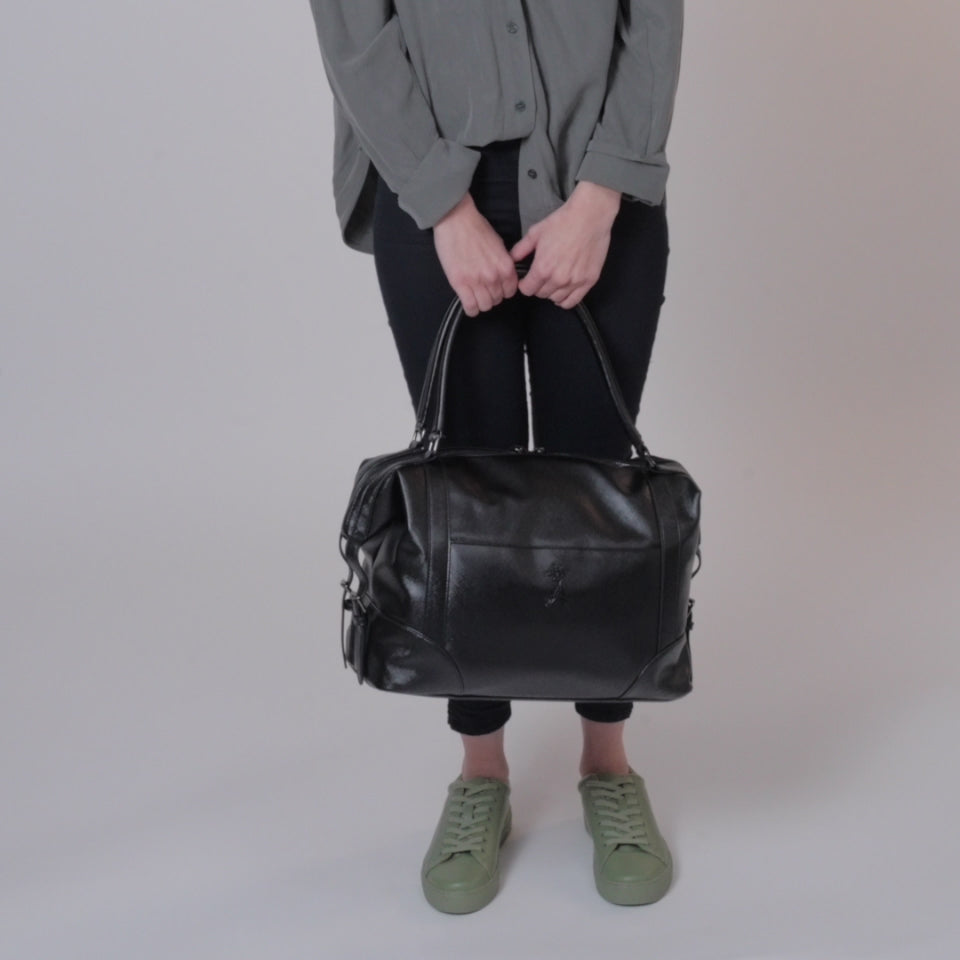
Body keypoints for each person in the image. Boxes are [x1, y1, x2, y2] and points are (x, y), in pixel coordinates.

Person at [307, 0, 684, 913]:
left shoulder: (602, 201)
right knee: (460, 503)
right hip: (432, 194)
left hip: (600, 190)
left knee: (601, 492)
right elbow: (356, 33)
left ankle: (607, 763)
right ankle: (481, 774)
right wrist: (442, 203)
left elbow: (656, 15)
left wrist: (599, 198)